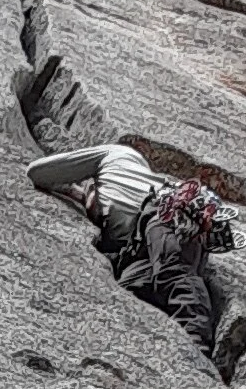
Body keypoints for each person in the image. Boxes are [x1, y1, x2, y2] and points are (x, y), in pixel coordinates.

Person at [28, 143, 234, 350]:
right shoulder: (128, 186)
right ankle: (166, 353)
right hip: (135, 247)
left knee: (173, 271)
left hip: (164, 216)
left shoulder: (116, 153)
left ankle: (197, 346)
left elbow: (38, 172)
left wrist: (76, 189)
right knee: (131, 291)